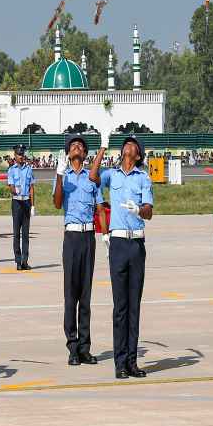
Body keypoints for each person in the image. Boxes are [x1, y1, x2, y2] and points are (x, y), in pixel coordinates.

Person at [90, 130, 154, 379]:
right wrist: (103, 148)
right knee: (120, 306)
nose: (128, 146)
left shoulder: (143, 178)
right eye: (125, 144)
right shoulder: (112, 174)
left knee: (134, 305)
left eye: (133, 145)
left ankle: (132, 361)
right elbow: (94, 177)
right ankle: (119, 363)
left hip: (136, 243)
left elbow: (149, 212)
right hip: (117, 242)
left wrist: (138, 209)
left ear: (138, 155)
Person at [54, 134, 106, 366]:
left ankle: (85, 347)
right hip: (72, 236)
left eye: (81, 146)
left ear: (85, 155)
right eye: (73, 146)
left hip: (88, 237)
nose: (77, 147)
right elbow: (56, 203)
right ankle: (72, 346)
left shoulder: (92, 178)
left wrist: (105, 235)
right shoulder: (64, 178)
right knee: (70, 295)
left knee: (85, 296)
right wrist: (57, 174)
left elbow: (100, 208)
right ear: (68, 153)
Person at [7, 144, 35, 270]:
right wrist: (15, 190)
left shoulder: (29, 169)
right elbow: (11, 186)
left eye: (22, 154)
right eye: (19, 154)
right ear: (15, 156)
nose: (21, 156)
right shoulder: (11, 170)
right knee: (16, 233)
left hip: (26, 203)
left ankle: (25, 261)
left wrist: (33, 205)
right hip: (17, 202)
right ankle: (18, 261)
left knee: (26, 234)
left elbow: (31, 187)